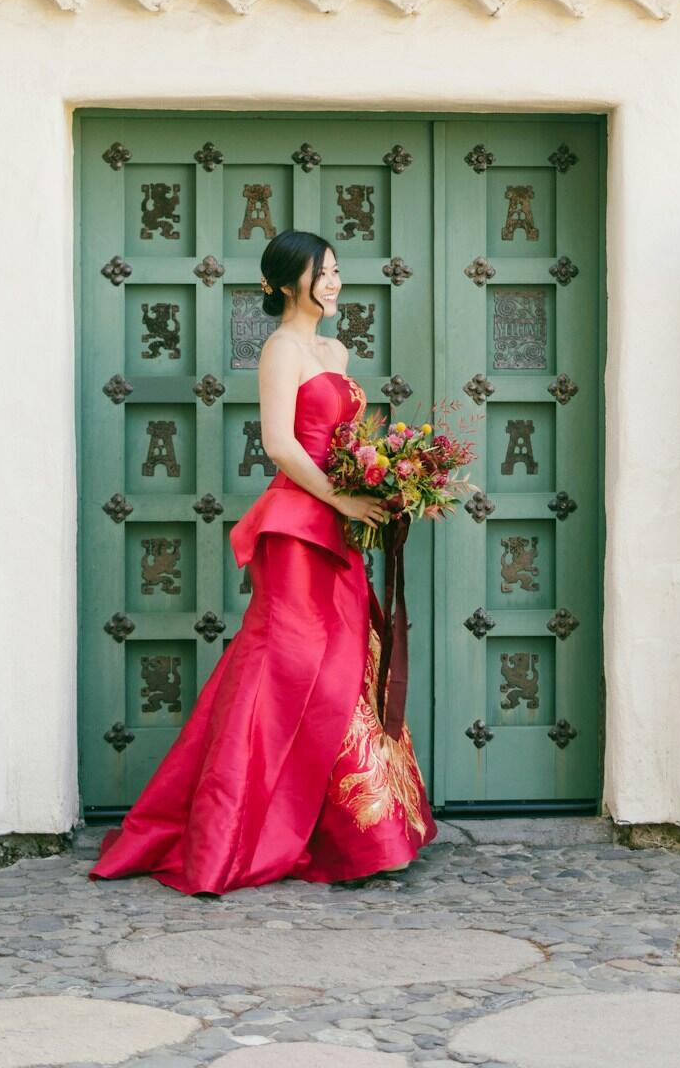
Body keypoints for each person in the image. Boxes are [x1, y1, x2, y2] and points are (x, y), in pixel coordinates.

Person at [91, 230, 435, 893]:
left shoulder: (335, 349)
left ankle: (364, 830)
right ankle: (247, 830)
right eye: (321, 274)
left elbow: (343, 439)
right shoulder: (280, 350)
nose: (334, 283)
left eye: (337, 271)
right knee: (298, 666)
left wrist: (379, 481)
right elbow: (280, 444)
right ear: (285, 284)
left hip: (337, 522)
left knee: (347, 663)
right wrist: (343, 498)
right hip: (299, 528)